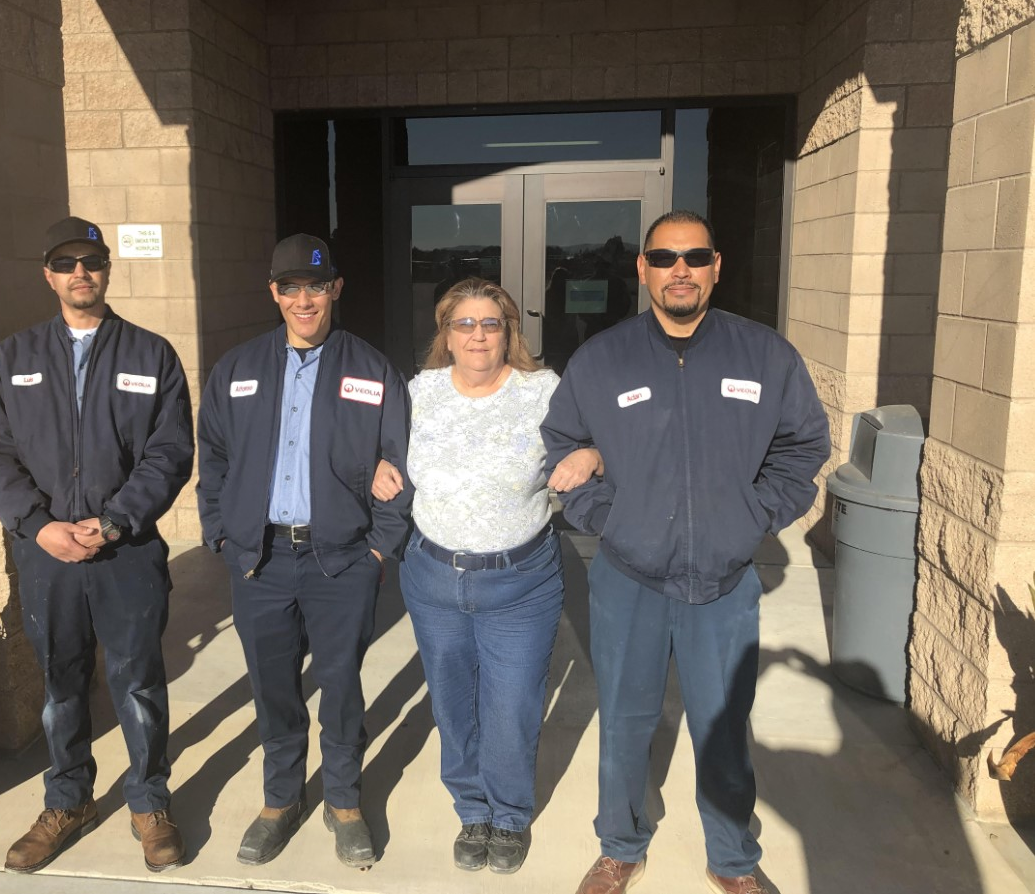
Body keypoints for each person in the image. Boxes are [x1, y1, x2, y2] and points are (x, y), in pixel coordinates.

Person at [541, 210, 830, 894]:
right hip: (628, 576)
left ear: (716, 267)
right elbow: (561, 444)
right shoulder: (602, 358)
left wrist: (754, 514)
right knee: (625, 719)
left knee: (723, 724)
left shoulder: (764, 355)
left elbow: (803, 447)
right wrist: (609, 520)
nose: (681, 270)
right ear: (641, 269)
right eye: (665, 258)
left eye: (695, 257)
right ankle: (620, 846)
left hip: (725, 581)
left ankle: (730, 857)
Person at [0, 216, 193, 874]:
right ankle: (69, 799)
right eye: (67, 262)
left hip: (125, 551)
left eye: (91, 261)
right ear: (48, 273)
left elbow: (170, 451)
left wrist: (116, 520)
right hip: (47, 555)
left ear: (106, 270)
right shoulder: (13, 359)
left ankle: (149, 801)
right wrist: (38, 525)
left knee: (137, 679)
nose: (80, 273)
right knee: (60, 682)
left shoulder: (150, 355)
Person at [196, 233, 412, 869]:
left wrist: (379, 549)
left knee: (341, 685)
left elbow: (401, 464)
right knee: (273, 689)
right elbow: (214, 456)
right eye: (290, 287)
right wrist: (219, 532)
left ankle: (344, 802)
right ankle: (280, 800)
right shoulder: (236, 370)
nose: (304, 299)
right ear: (274, 292)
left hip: (341, 561)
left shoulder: (372, 371)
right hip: (259, 561)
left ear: (335, 289)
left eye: (316, 286)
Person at [371, 279, 601, 875]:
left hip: (519, 582)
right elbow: (368, 442)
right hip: (433, 577)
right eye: (464, 324)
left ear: (509, 334)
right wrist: (374, 464)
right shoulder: (415, 392)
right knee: (452, 703)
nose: (477, 335)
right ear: (445, 334)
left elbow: (603, 438)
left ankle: (510, 814)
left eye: (490, 324)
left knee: (512, 706)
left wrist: (591, 455)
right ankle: (471, 807)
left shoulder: (545, 391)